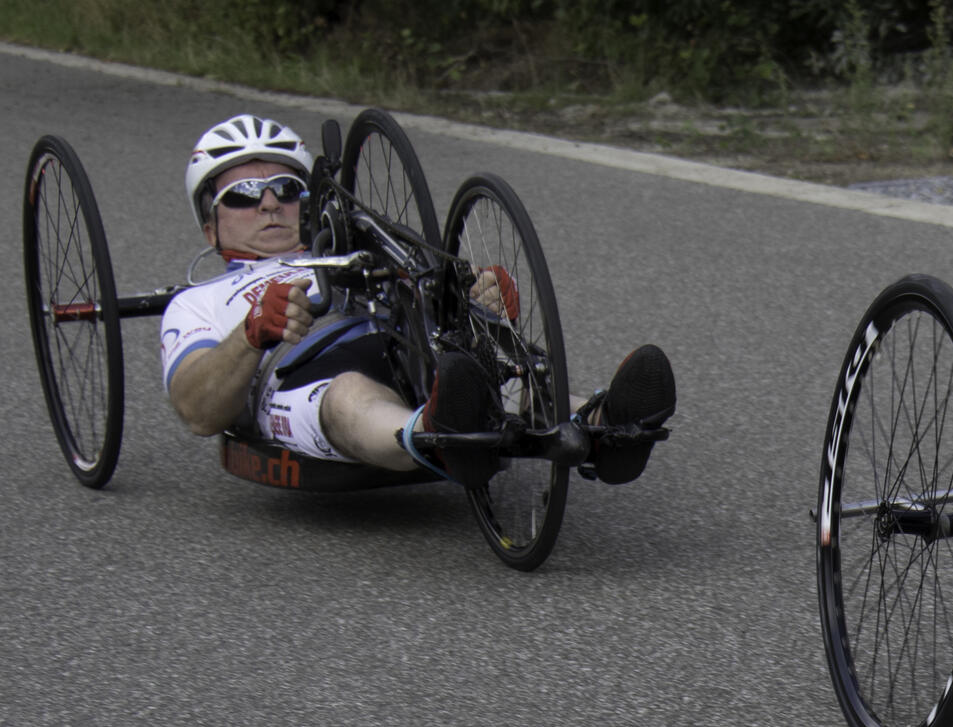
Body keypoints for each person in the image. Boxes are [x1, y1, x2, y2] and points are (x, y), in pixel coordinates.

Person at [161, 113, 675, 491]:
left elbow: (440, 289)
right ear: (210, 225)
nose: (269, 203)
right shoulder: (198, 302)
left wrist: (481, 298)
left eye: (286, 187)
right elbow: (197, 410)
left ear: (311, 202)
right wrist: (252, 334)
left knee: (493, 375)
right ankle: (435, 432)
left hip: (410, 348)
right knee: (345, 394)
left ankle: (605, 423)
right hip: (301, 378)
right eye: (245, 194)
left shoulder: (360, 241)